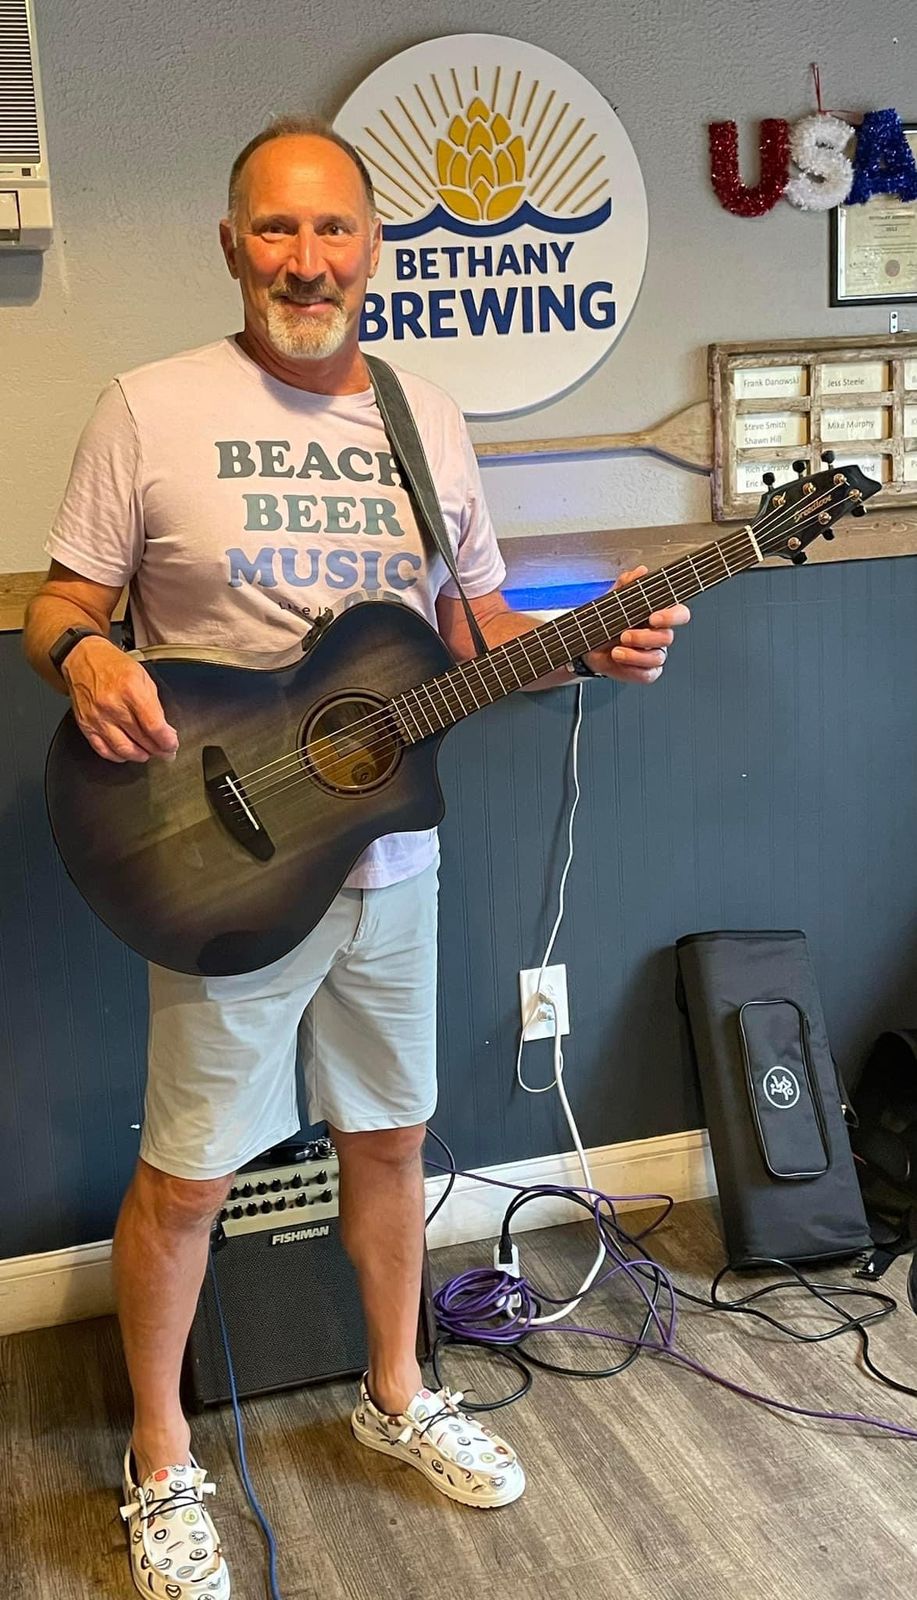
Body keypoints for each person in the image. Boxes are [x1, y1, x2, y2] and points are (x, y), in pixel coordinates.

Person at [24, 116, 691, 1598]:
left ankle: (398, 1392)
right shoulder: (148, 408)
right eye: (277, 228)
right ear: (231, 243)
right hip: (217, 858)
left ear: (374, 250)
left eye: (334, 231)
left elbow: (472, 635)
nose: (306, 260)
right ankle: (159, 1460)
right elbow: (58, 602)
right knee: (189, 1177)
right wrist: (84, 658)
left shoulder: (422, 418)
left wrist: (598, 637)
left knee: (391, 1140)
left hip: (390, 864)